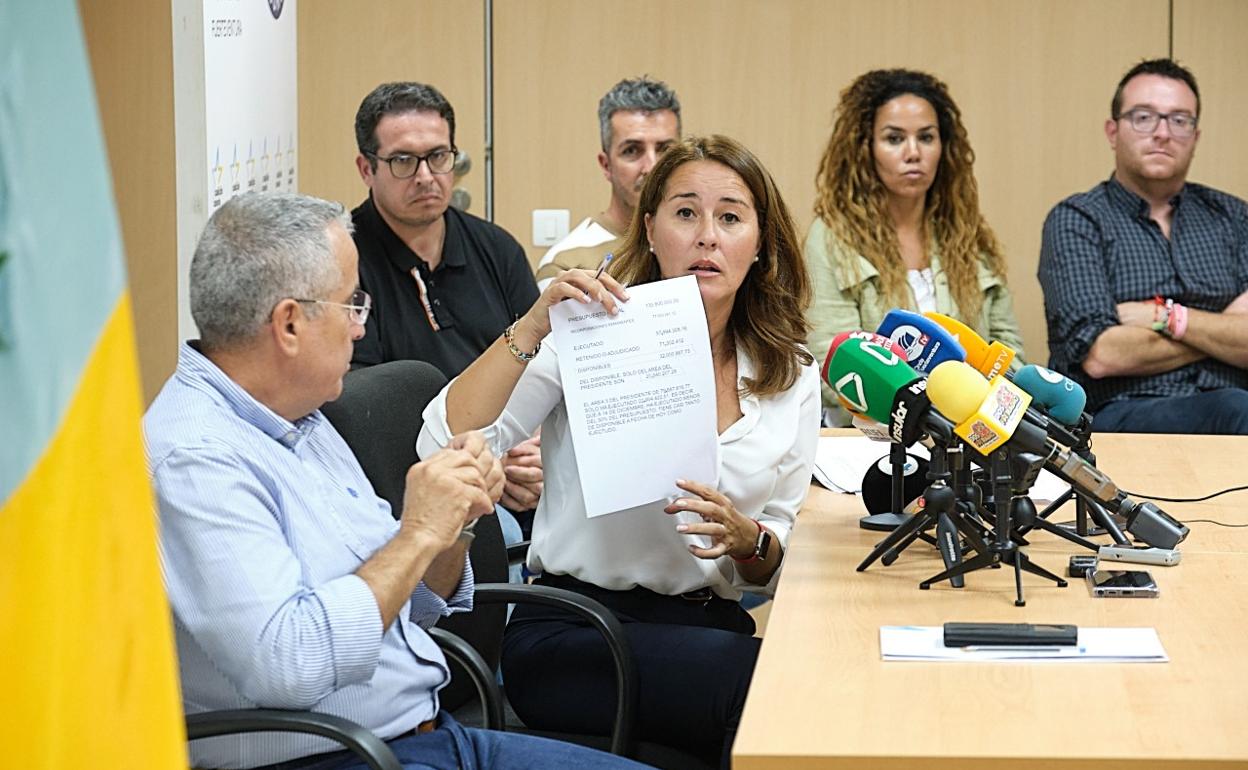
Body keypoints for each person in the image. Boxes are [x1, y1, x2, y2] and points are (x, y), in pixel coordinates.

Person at [144, 192, 648, 770]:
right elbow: (291, 665)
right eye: (351, 304)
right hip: (333, 759)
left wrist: (455, 521)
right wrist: (418, 533)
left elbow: (416, 608)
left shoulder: (298, 411)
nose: (361, 327)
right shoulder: (196, 457)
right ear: (289, 324)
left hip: (420, 736)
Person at [419, 135, 820, 767]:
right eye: (685, 213)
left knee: (806, 678)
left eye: (730, 218)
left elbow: (776, 550)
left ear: (761, 242)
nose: (707, 237)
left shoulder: (789, 371)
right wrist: (534, 324)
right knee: (772, 691)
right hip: (578, 630)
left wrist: (749, 541)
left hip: (709, 624)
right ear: (651, 230)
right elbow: (446, 441)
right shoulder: (591, 332)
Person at [349, 81, 543, 515]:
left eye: (438, 156)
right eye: (403, 161)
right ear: (366, 168)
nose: (425, 176)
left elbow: (543, 368)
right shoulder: (344, 262)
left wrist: (531, 452)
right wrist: (481, 464)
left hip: (510, 461)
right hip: (406, 485)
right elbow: (361, 409)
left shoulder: (496, 249)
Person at [1038, 58, 1248, 433]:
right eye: (1144, 117)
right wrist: (1222, 332)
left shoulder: (1235, 218)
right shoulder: (1077, 220)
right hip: (1123, 414)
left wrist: (1166, 318)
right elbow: (1103, 354)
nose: (1163, 133)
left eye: (1179, 120)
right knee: (1234, 408)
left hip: (1235, 412)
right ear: (1113, 131)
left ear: (1195, 138)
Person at [805, 68, 1023, 422]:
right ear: (865, 148)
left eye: (926, 137)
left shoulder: (967, 233)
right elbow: (830, 359)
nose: (913, 152)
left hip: (971, 431)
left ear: (943, 147)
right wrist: (924, 412)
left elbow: (1008, 352)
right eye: (894, 139)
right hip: (872, 436)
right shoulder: (832, 237)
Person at [533, 76, 681, 289]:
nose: (651, 166)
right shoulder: (567, 265)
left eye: (665, 150)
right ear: (606, 165)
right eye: (632, 150)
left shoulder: (705, 246)